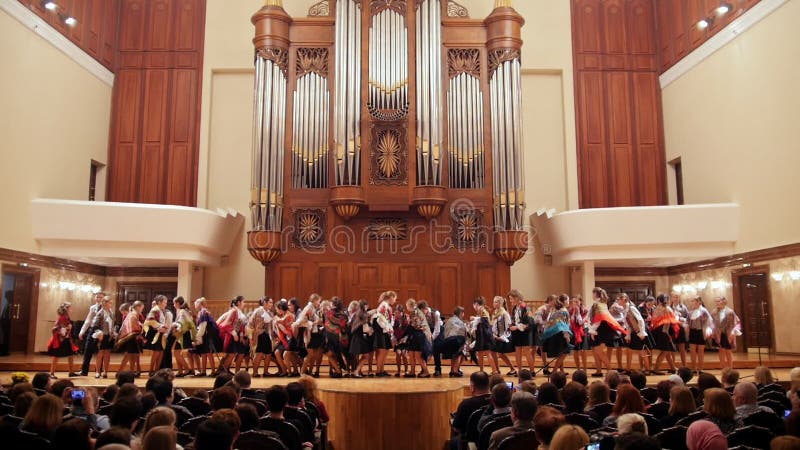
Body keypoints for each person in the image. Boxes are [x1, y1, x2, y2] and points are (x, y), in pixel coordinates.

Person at [588, 287, 626, 377]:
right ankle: (598, 371)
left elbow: (598, 319)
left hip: (598, 329)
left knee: (598, 350)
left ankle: (611, 371)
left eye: (593, 293)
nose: (592, 295)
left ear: (595, 294)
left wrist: (593, 331)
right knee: (595, 350)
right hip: (600, 328)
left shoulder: (597, 304)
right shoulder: (602, 303)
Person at [450, 371, 491, 449]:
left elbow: (457, 428)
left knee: (454, 442)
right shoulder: (499, 401)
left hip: (473, 443)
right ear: (489, 386)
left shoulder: (466, 404)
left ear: (472, 387)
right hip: (492, 442)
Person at [616, 293, 649, 374]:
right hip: (633, 332)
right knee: (629, 351)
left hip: (638, 332)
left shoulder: (632, 308)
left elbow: (640, 320)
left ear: (624, 299)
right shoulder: (625, 309)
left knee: (642, 351)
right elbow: (628, 324)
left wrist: (641, 332)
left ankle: (648, 369)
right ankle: (628, 369)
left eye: (618, 299)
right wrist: (628, 335)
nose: (617, 301)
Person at [650, 294, 680, 374]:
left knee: (667, 350)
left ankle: (672, 368)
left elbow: (654, 320)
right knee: (665, 351)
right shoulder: (667, 308)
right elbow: (671, 320)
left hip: (658, 331)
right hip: (664, 331)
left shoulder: (657, 308)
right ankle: (656, 369)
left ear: (659, 300)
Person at [541, 295, 572, 373]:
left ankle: (561, 371)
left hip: (555, 334)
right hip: (560, 335)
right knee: (563, 354)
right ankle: (554, 372)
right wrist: (566, 335)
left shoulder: (556, 311)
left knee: (561, 354)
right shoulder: (563, 311)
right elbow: (562, 325)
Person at [217, 296, 248, 374]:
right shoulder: (233, 311)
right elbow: (226, 324)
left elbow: (241, 325)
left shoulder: (238, 311)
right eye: (243, 302)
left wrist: (240, 335)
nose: (244, 304)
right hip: (230, 335)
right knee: (231, 354)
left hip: (235, 334)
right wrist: (234, 334)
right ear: (238, 303)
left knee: (231, 354)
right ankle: (223, 372)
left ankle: (224, 370)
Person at [47, 302, 79, 378]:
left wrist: (68, 328)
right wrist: (67, 328)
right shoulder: (62, 317)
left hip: (66, 338)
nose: (71, 309)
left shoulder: (66, 316)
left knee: (70, 354)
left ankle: (71, 372)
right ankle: (51, 373)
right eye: (70, 307)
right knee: (56, 356)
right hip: (60, 339)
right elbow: (57, 328)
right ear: (66, 309)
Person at [296, 294, 324, 377]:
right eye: (318, 301)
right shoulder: (308, 308)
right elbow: (302, 321)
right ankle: (302, 373)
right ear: (314, 300)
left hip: (314, 332)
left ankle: (310, 372)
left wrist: (317, 321)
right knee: (310, 354)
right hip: (308, 333)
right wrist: (315, 322)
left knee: (314, 355)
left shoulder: (313, 308)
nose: (319, 303)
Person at [508, 289, 535, 373]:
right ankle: (519, 371)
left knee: (527, 352)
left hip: (526, 332)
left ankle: (532, 371)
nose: (510, 301)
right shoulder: (515, 308)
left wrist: (516, 327)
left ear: (517, 298)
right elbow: (515, 320)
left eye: (511, 298)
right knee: (517, 351)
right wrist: (511, 325)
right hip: (517, 333)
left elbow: (530, 323)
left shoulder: (526, 307)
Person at [79, 292, 105, 376]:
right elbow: (88, 320)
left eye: (101, 297)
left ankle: (99, 371)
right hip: (92, 329)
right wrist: (82, 331)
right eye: (97, 297)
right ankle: (84, 371)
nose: (98, 299)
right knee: (87, 350)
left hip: (101, 331)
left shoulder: (107, 308)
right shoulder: (93, 307)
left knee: (100, 351)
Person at [90, 295, 117, 379]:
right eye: (110, 302)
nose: (111, 304)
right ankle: (97, 372)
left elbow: (113, 324)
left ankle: (105, 371)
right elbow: (95, 325)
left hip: (109, 336)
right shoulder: (100, 312)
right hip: (102, 336)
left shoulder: (111, 312)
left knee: (107, 354)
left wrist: (114, 332)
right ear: (104, 303)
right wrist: (99, 333)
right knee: (100, 354)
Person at [471, 297, 499, 374]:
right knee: (480, 353)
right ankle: (481, 370)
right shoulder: (482, 309)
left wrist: (475, 318)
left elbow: (485, 320)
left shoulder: (482, 309)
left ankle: (494, 370)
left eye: (474, 304)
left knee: (487, 352)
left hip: (484, 334)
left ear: (476, 304)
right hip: (482, 334)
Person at [371, 291, 396, 377]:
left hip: (384, 330)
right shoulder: (384, 305)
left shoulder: (386, 305)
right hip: (382, 330)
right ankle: (379, 371)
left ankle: (381, 369)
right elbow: (380, 317)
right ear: (391, 297)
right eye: (394, 298)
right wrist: (387, 327)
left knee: (384, 351)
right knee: (382, 351)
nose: (395, 301)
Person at [193, 297, 219, 377]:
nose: (195, 306)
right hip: (205, 335)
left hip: (207, 335)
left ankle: (213, 371)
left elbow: (203, 326)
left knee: (208, 353)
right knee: (204, 353)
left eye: (196, 304)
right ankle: (203, 371)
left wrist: (197, 337)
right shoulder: (202, 312)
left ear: (200, 304)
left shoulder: (203, 312)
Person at [143, 295, 169, 376]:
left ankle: (157, 370)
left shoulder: (161, 310)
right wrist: (161, 326)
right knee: (156, 352)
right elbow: (150, 321)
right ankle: (151, 370)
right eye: (164, 302)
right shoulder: (154, 310)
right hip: (155, 333)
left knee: (161, 352)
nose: (166, 304)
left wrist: (164, 327)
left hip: (160, 333)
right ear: (159, 302)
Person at [490, 296, 516, 375]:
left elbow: (508, 327)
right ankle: (497, 370)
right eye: (494, 301)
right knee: (493, 352)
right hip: (495, 336)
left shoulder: (504, 313)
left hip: (502, 337)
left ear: (500, 303)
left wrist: (502, 337)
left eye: (496, 302)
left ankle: (512, 369)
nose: (494, 303)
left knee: (501, 354)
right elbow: (494, 325)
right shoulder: (495, 312)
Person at [713, 296, 741, 372]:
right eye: (716, 302)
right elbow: (713, 323)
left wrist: (732, 333)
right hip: (718, 333)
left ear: (724, 302)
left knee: (728, 351)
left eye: (718, 301)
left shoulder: (730, 312)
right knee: (721, 350)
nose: (717, 303)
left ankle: (730, 368)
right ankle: (723, 368)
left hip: (727, 333)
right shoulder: (714, 312)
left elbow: (736, 322)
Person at [117, 300, 144, 376]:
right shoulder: (133, 314)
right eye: (142, 307)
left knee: (134, 356)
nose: (142, 309)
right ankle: (120, 372)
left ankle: (131, 372)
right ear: (138, 307)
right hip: (131, 337)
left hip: (133, 337)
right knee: (129, 355)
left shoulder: (134, 314)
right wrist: (141, 327)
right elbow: (133, 326)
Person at [688, 296, 713, 375]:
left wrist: (707, 331)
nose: (693, 303)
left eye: (694, 301)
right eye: (692, 302)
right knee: (692, 351)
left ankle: (700, 368)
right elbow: (687, 322)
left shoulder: (704, 311)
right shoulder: (691, 312)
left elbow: (709, 322)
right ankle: (693, 368)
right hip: (692, 331)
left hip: (700, 332)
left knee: (700, 351)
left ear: (699, 302)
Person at [250, 297, 275, 377]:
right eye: (270, 302)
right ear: (264, 302)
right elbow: (257, 325)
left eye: (272, 303)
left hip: (267, 334)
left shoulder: (268, 312)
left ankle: (266, 371)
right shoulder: (259, 311)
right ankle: (255, 372)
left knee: (268, 353)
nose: (271, 304)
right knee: (259, 353)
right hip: (260, 334)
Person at [407, 299, 432, 378]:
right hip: (415, 335)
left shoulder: (415, 312)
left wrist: (410, 324)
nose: (407, 307)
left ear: (410, 305)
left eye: (407, 306)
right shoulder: (415, 312)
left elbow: (417, 325)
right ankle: (412, 371)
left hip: (419, 335)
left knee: (418, 355)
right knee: (411, 353)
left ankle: (426, 372)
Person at [171, 296, 196, 377]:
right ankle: (180, 371)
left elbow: (181, 322)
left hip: (183, 334)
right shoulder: (184, 311)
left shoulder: (182, 311)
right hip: (183, 334)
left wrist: (176, 328)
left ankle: (187, 369)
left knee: (176, 353)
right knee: (177, 352)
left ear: (177, 303)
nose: (173, 305)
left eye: (174, 303)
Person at [440, 306, 468, 377]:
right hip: (457, 338)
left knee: (453, 354)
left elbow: (444, 330)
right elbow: (464, 332)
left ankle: (452, 370)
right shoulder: (460, 321)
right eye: (463, 313)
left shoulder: (449, 320)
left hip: (447, 340)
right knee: (459, 353)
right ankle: (455, 370)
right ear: (461, 313)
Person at [533, 295, 555, 374]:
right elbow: (536, 320)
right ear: (550, 301)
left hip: (545, 331)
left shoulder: (551, 309)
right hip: (539, 331)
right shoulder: (541, 309)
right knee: (540, 349)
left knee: (543, 349)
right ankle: (542, 367)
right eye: (554, 301)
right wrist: (547, 323)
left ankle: (545, 366)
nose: (555, 303)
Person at [569, 295, 589, 373]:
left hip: (583, 330)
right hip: (574, 331)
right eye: (574, 302)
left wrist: (578, 313)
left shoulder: (585, 310)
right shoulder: (570, 311)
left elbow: (581, 322)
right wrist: (574, 313)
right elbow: (571, 321)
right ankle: (578, 369)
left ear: (580, 302)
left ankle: (585, 369)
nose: (575, 303)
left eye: (577, 302)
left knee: (583, 351)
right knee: (575, 350)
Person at [670, 293, 690, 367]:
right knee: (672, 348)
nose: (675, 299)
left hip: (680, 328)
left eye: (677, 297)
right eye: (674, 297)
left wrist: (682, 318)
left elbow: (688, 318)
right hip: (671, 328)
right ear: (671, 298)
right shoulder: (669, 307)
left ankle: (684, 365)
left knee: (682, 347)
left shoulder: (683, 307)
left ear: (679, 298)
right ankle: (673, 366)